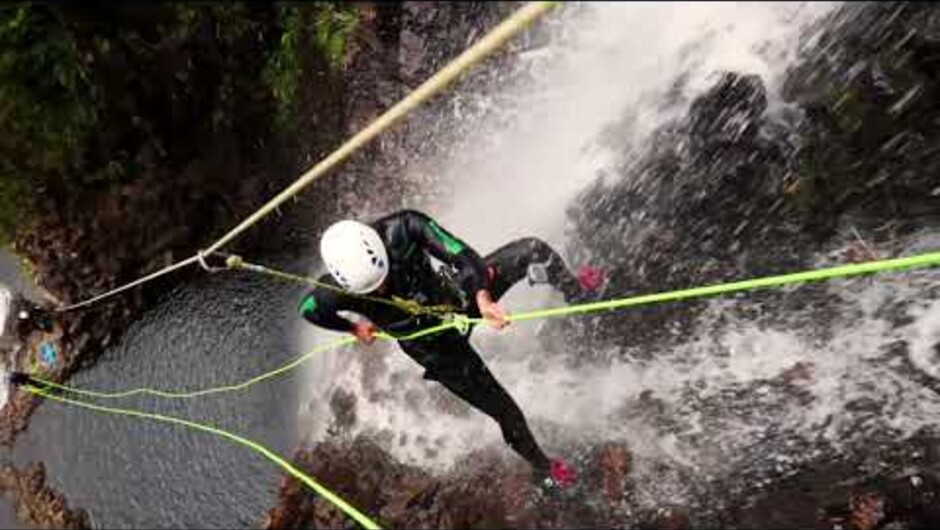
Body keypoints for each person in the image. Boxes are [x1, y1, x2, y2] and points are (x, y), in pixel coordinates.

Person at [299, 210, 605, 491]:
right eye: (371, 290)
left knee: (532, 250)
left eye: (383, 278)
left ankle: (578, 293)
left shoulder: (404, 228)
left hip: (456, 299)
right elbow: (309, 309)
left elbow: (460, 253)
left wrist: (483, 298)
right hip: (435, 348)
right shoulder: (333, 291)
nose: (381, 289)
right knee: (505, 411)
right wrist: (354, 328)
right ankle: (545, 471)